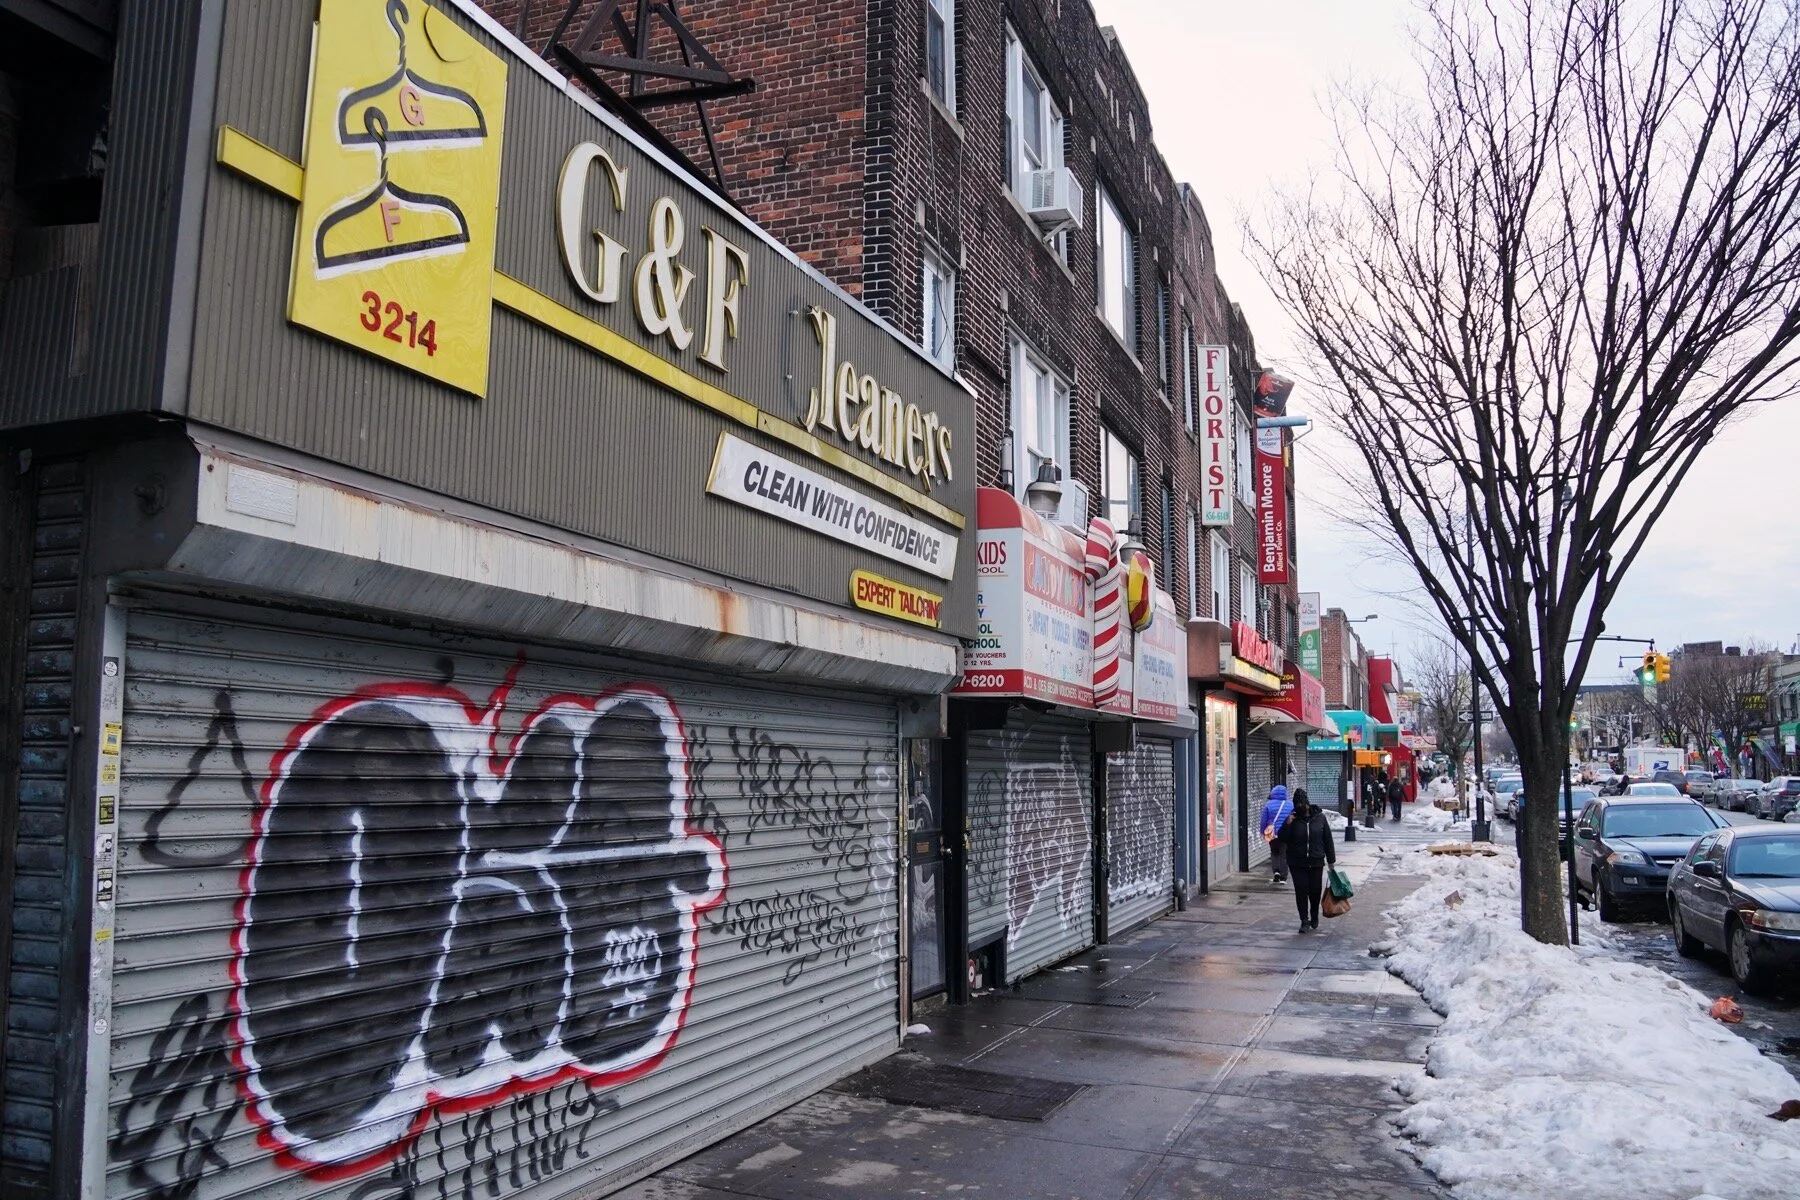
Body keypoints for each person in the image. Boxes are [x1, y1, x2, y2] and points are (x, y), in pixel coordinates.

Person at [1278, 788, 1337, 932]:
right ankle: (1304, 920)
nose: (1299, 808)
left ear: (1307, 804)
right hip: (1297, 862)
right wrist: (1287, 824)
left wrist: (1331, 860)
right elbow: (1282, 838)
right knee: (1301, 890)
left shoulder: (1320, 818)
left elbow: (1327, 839)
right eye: (1297, 805)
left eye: (1301, 805)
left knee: (1315, 891)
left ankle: (1314, 915)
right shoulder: (1292, 819)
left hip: (1316, 860)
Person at [1259, 784, 1294, 884]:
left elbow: (1263, 820)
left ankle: (1276, 872)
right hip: (1286, 833)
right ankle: (1283, 877)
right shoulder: (1290, 805)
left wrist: (1262, 831)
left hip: (1272, 833)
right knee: (1284, 854)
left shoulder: (1268, 804)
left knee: (1274, 852)